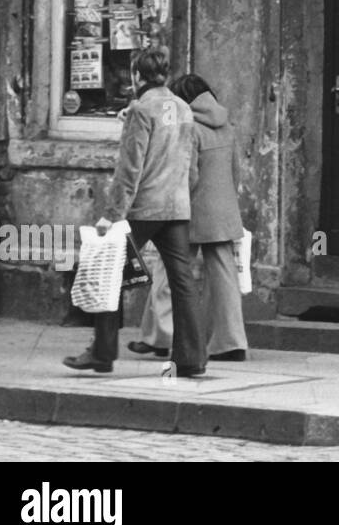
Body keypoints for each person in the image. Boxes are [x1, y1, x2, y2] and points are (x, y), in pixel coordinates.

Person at [64, 46, 206, 377]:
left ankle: (101, 353)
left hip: (144, 209)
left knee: (108, 274)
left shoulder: (141, 109)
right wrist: (184, 196)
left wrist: (111, 214)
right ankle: (192, 358)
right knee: (183, 281)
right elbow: (193, 168)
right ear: (166, 73)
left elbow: (130, 169)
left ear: (137, 75)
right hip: (177, 207)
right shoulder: (184, 109)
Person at [131, 74, 249, 362]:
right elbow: (236, 171)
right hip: (223, 211)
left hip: (191, 209)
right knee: (224, 276)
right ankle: (230, 342)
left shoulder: (188, 126)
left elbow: (189, 173)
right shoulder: (226, 126)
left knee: (169, 270)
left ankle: (161, 336)